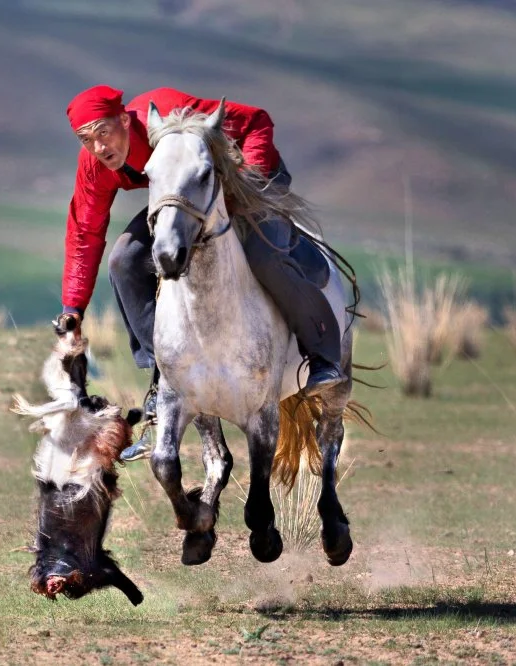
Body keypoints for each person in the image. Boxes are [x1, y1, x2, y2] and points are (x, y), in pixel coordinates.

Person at [56, 85, 345, 460]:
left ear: (125, 120)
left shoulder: (175, 112)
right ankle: (163, 377)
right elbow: (84, 230)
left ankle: (322, 355)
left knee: (264, 256)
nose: (98, 147)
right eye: (86, 139)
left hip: (251, 179)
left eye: (103, 132)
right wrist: (73, 306)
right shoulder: (95, 164)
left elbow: (257, 121)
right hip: (184, 200)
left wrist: (245, 187)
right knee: (124, 261)